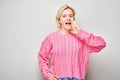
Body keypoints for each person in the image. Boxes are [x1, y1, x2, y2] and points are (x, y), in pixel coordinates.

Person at [38, 4, 106, 80]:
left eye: (70, 16)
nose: (68, 18)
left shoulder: (81, 38)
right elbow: (41, 57)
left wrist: (79, 32)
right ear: (59, 20)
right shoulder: (51, 38)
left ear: (73, 19)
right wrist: (48, 75)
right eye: (64, 16)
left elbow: (101, 43)